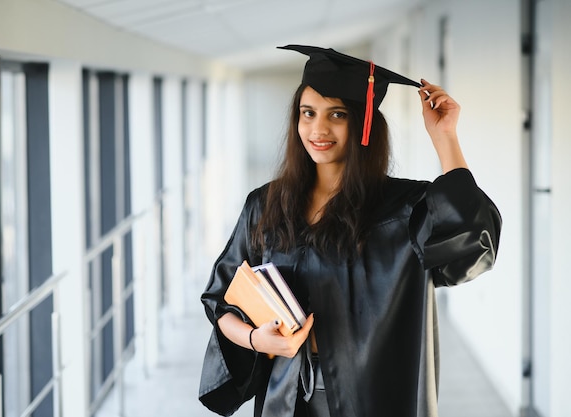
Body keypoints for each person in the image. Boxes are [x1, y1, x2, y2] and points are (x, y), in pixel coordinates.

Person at [198, 44, 502, 417]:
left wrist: (446, 138)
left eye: (337, 115)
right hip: (286, 398)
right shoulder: (265, 205)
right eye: (307, 113)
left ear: (363, 124)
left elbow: (475, 241)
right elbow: (220, 301)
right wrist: (253, 338)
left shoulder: (405, 209)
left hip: (372, 400)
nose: (318, 129)